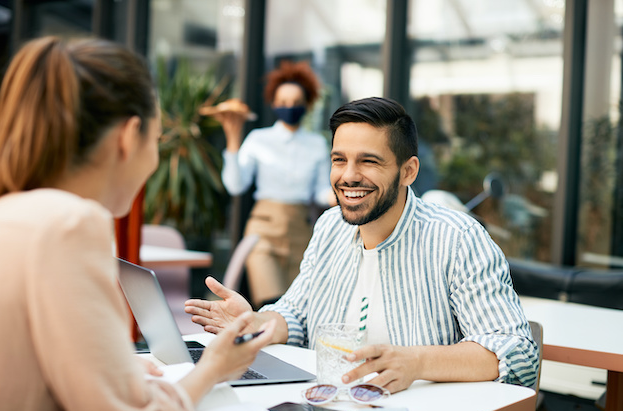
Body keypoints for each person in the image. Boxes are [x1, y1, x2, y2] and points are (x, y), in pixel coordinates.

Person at [0, 36, 275, 411]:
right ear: (130, 136)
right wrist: (215, 368)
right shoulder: (70, 224)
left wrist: (113, 364)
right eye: (156, 139)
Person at [186, 97, 539, 394]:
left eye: (368, 161)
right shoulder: (329, 227)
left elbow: (516, 351)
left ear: (408, 171)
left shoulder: (457, 239)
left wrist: (416, 363)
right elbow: (297, 313)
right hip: (328, 406)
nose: (349, 175)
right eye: (339, 159)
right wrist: (259, 323)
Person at [212, 61, 334, 307]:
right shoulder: (259, 139)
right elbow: (236, 186)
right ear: (274, 103)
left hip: (301, 234)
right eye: (283, 102)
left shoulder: (317, 144)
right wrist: (233, 141)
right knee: (270, 304)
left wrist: (340, 196)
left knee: (297, 308)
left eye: (296, 103)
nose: (290, 108)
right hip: (264, 232)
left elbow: (321, 192)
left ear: (307, 105)